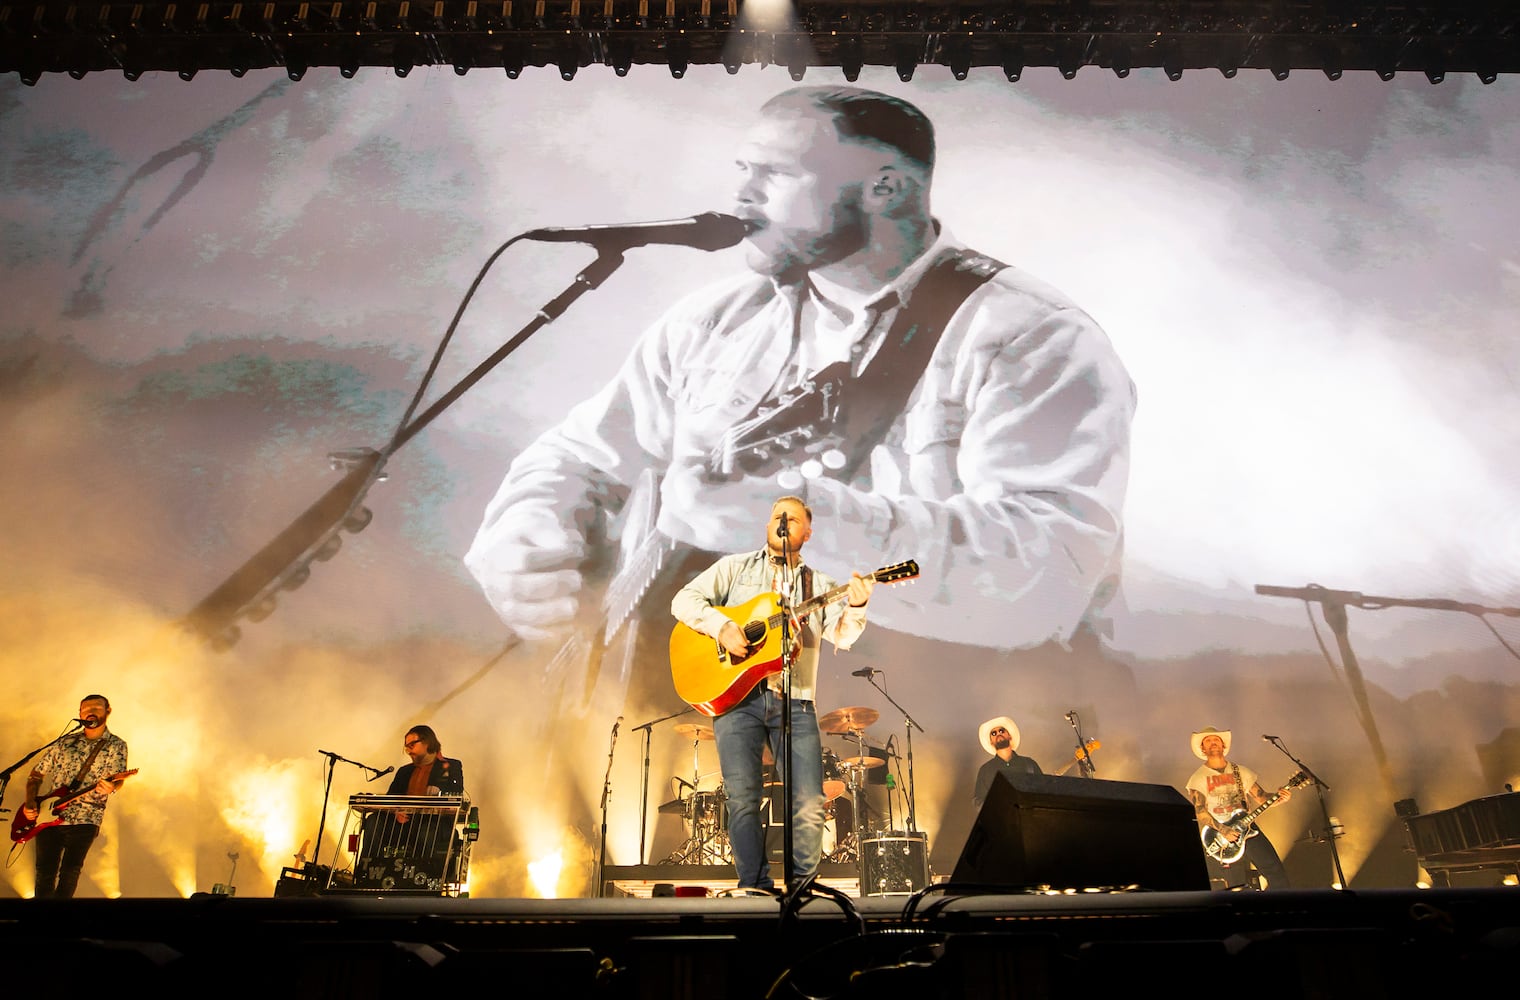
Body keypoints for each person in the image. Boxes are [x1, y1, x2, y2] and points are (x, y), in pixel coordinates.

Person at [463, 86, 1136, 719]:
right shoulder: (711, 324)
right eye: (742, 170)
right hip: (699, 719)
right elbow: (578, 455)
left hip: (941, 729)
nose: (741, 196)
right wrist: (522, 534)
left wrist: (810, 524)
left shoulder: (1030, 336)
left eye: (774, 173)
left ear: (886, 187)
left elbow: (1045, 573)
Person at [670, 495, 875, 890]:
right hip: (736, 700)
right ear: (768, 525)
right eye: (778, 517)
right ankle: (754, 885)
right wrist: (722, 627)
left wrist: (859, 604)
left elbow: (843, 634)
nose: (784, 522)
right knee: (742, 801)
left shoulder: (819, 584)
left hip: (795, 700)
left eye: (794, 519)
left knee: (809, 802)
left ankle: (801, 888)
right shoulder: (734, 568)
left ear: (807, 532)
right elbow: (683, 600)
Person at [21, 694, 129, 898]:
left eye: (97, 707)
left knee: (70, 872)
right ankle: (38, 922)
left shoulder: (116, 745)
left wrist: (111, 787)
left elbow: (118, 778)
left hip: (86, 818)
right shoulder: (65, 742)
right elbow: (36, 774)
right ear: (79, 714)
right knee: (44, 872)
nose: (91, 711)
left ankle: (62, 922)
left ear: (108, 711)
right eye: (86, 709)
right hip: (48, 816)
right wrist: (29, 802)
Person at [1185, 727, 1293, 890]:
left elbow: (1261, 797)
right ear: (1203, 749)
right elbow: (1199, 811)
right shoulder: (1198, 777)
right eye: (1208, 741)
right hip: (1221, 835)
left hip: (1248, 827)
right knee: (1236, 886)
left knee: (1276, 873)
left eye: (1216, 740)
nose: (1213, 743)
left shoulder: (1240, 771)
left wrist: (1280, 796)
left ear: (1223, 746)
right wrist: (1223, 830)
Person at [972, 715, 1043, 812]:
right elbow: (979, 801)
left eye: (1001, 731)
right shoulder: (985, 770)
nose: (998, 734)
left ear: (1009, 735)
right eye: (993, 733)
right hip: (1001, 824)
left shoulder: (1029, 764)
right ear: (991, 742)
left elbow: (1043, 791)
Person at [387, 725, 465, 799]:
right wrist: (396, 812)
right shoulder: (403, 771)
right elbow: (388, 803)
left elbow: (455, 796)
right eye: (406, 748)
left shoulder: (451, 766)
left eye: (412, 745)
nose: (409, 751)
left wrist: (439, 793)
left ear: (427, 742)